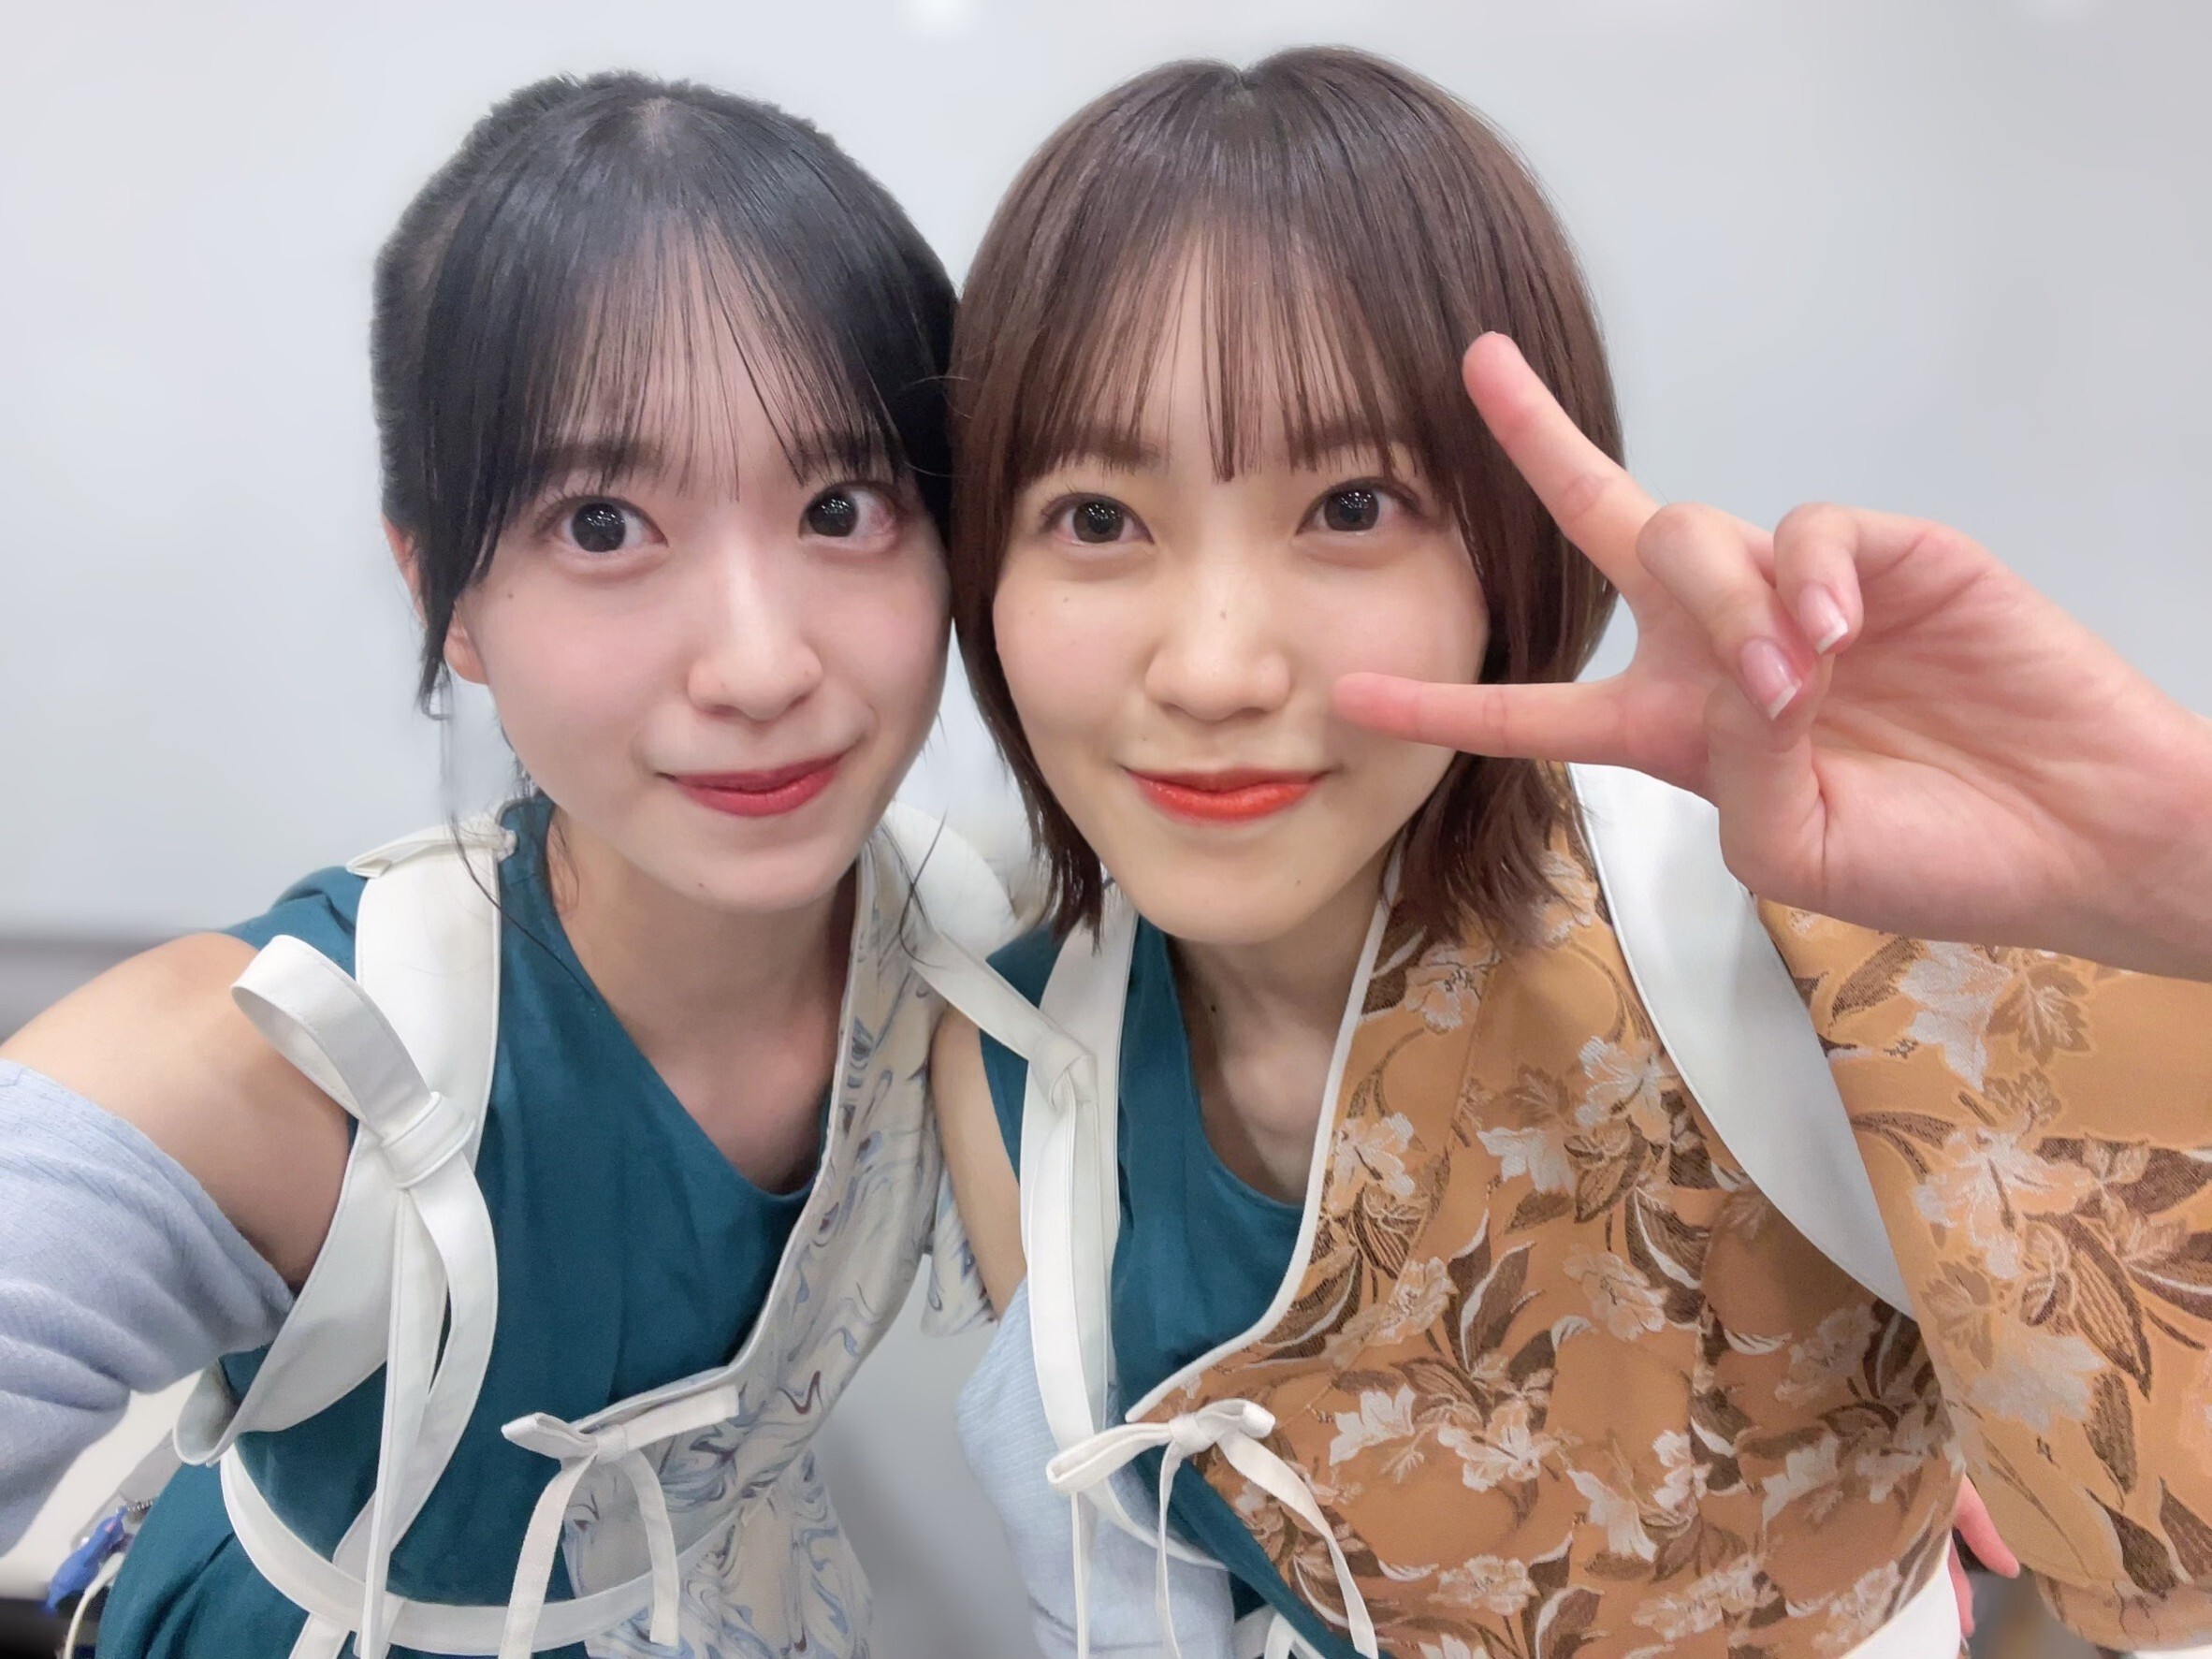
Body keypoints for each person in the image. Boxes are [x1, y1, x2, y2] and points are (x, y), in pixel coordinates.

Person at [922, 46, 2212, 1659]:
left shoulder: (1781, 923)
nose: (1216, 666)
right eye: (1098, 518)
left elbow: (2160, 1561)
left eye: (1351, 506)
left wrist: (2182, 881)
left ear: (1512, 554)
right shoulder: (1020, 1065)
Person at [0, 71, 1008, 1659]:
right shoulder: (283, 1058)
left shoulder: (967, 953)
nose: (761, 664)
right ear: (446, 596)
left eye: (844, 504)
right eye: (602, 524)